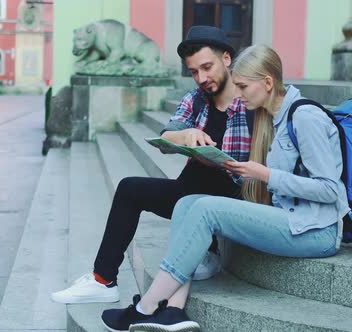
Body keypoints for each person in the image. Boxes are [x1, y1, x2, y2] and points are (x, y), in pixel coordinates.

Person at [100, 44, 350, 332]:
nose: (239, 95)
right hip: (291, 219)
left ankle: (144, 308)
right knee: (187, 202)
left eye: (243, 86)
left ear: (267, 83)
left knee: (206, 208)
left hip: (317, 231)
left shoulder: (305, 117)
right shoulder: (274, 116)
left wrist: (264, 174)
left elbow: (330, 190)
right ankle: (173, 311)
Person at [51, 26, 253, 304]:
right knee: (130, 188)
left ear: (227, 59)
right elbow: (167, 136)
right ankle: (103, 280)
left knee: (216, 179)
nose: (202, 78)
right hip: (189, 198)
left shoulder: (249, 99)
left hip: (231, 201)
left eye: (207, 67)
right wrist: (186, 135)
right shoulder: (196, 99)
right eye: (194, 72)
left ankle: (209, 251)